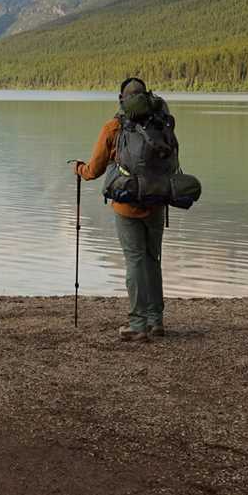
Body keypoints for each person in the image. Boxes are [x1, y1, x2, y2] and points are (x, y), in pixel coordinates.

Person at [73, 78, 169, 341]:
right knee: (152, 259)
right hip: (157, 200)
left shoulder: (114, 127)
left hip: (127, 204)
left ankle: (138, 324)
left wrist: (79, 169)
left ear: (121, 98)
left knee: (135, 260)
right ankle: (156, 319)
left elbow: (94, 170)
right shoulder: (162, 123)